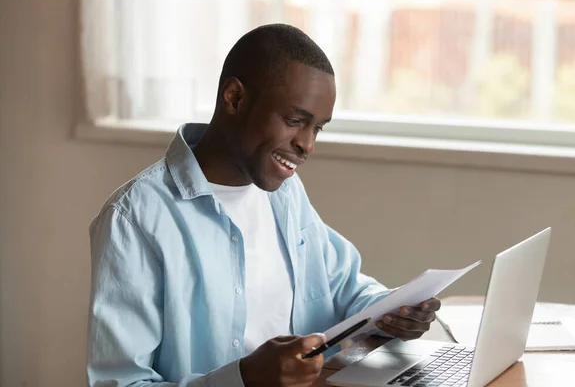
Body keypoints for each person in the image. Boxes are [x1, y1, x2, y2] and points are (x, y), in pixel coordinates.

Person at [86, 23, 441, 387]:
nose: (307, 144)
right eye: (294, 121)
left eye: (318, 128)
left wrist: (392, 310)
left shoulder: (285, 194)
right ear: (235, 98)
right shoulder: (135, 220)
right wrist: (243, 379)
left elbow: (343, 286)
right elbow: (122, 383)